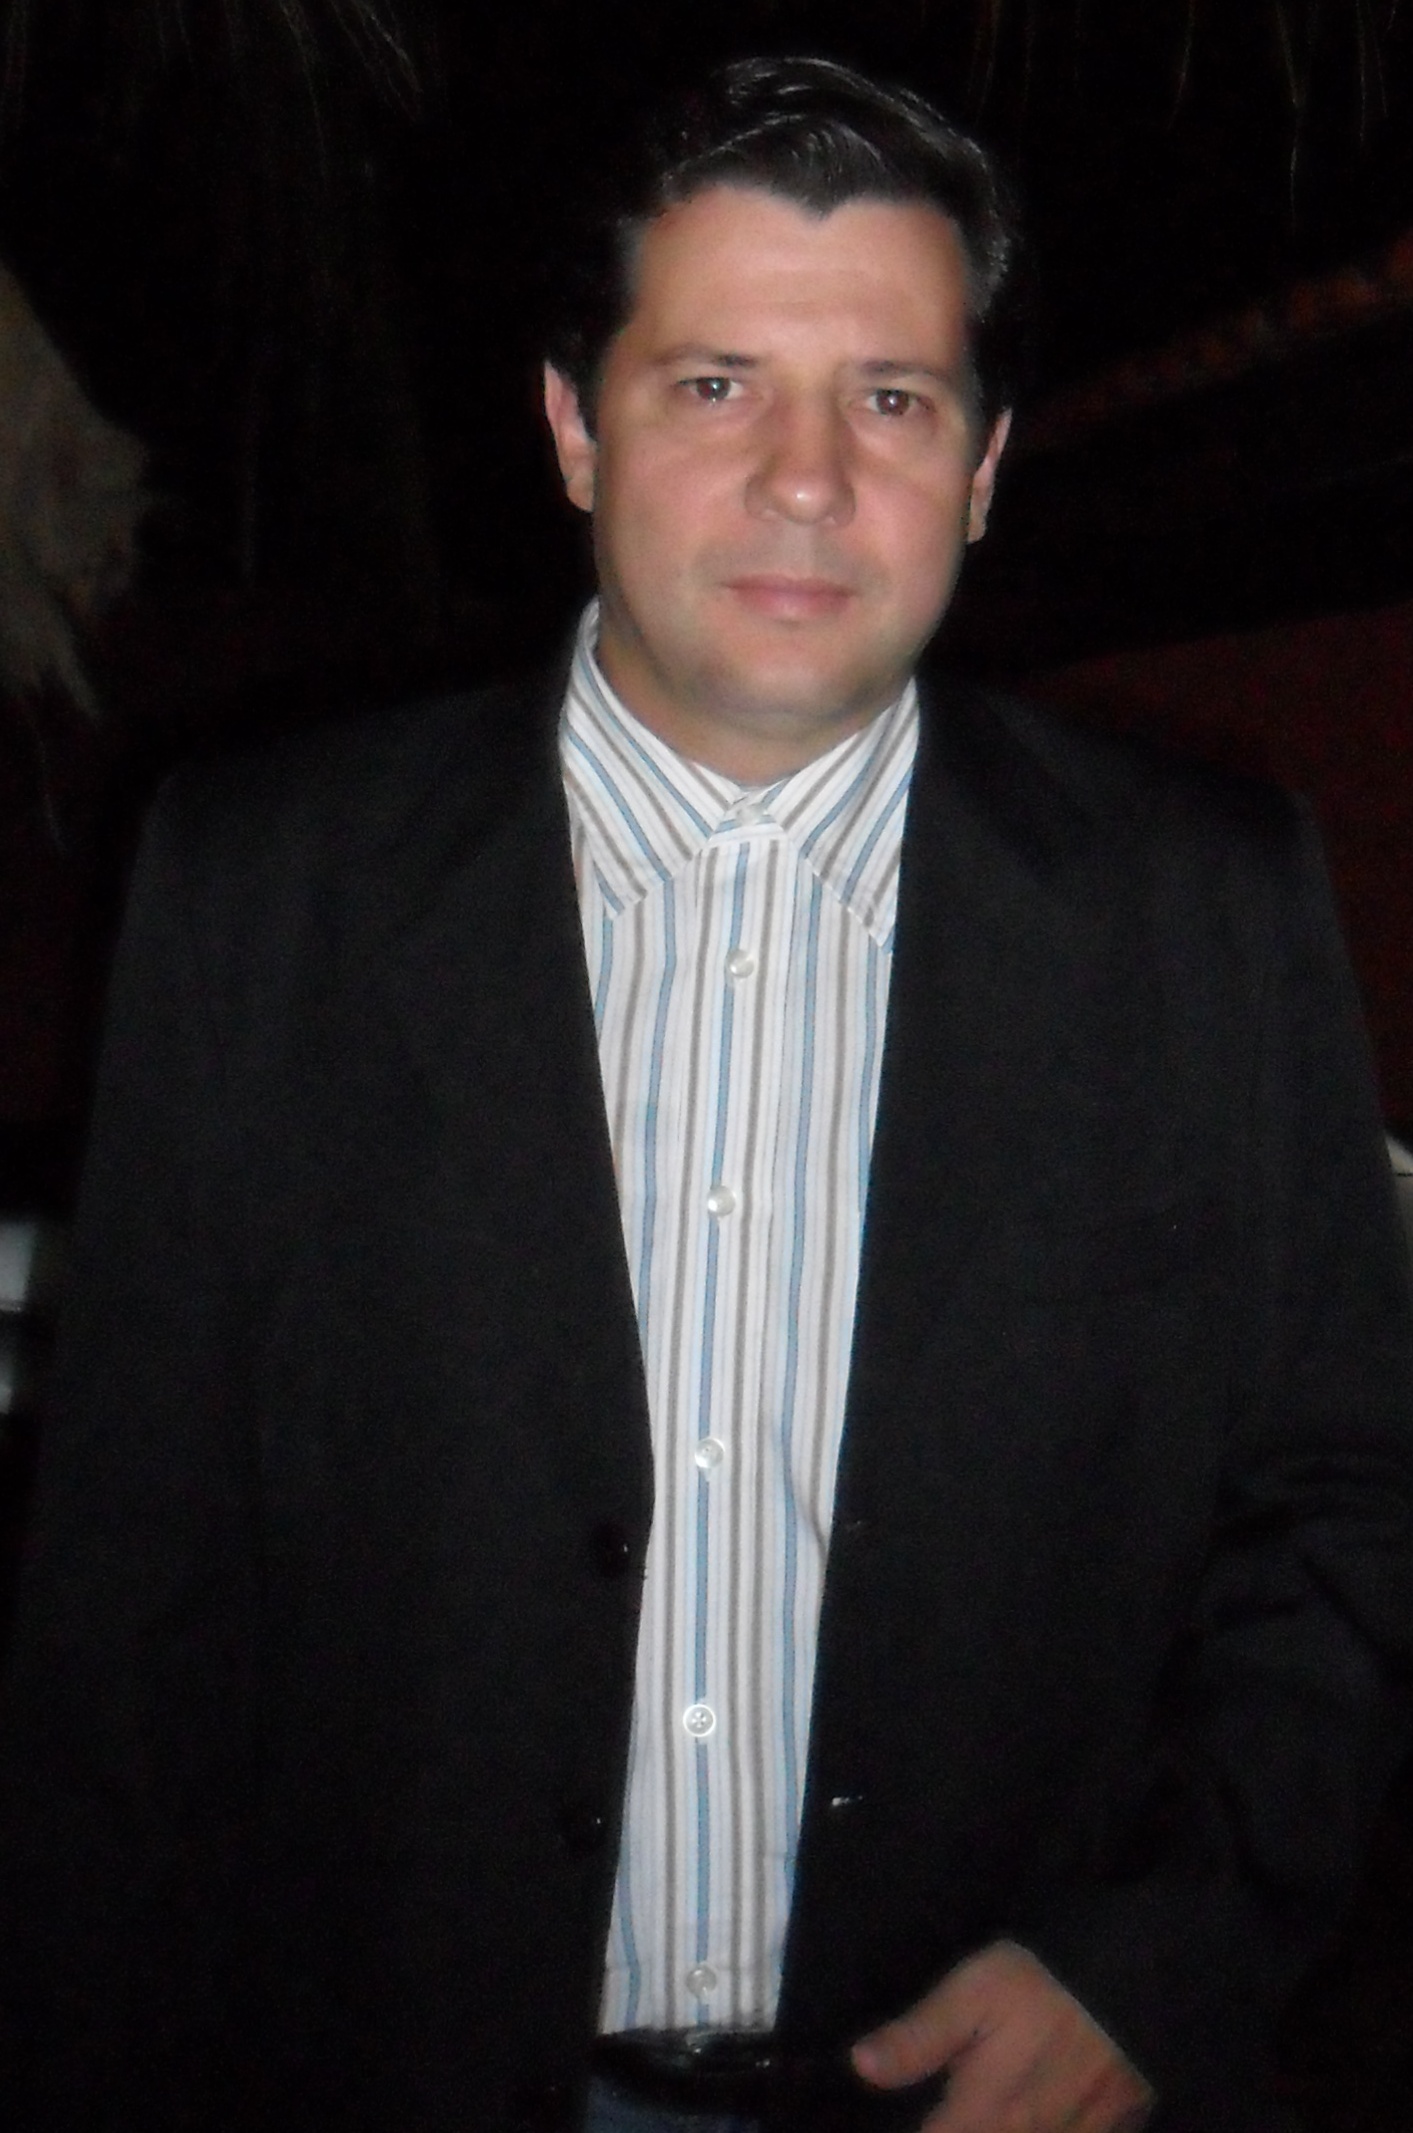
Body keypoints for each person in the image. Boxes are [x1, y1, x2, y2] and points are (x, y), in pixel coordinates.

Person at [1, 53, 1410, 2133]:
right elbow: (127, 1598)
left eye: (890, 399)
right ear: (574, 426)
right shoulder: (267, 887)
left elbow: (1353, 1498)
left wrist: (1164, 1956)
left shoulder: (1198, 903)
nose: (807, 480)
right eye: (716, 384)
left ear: (983, 464)